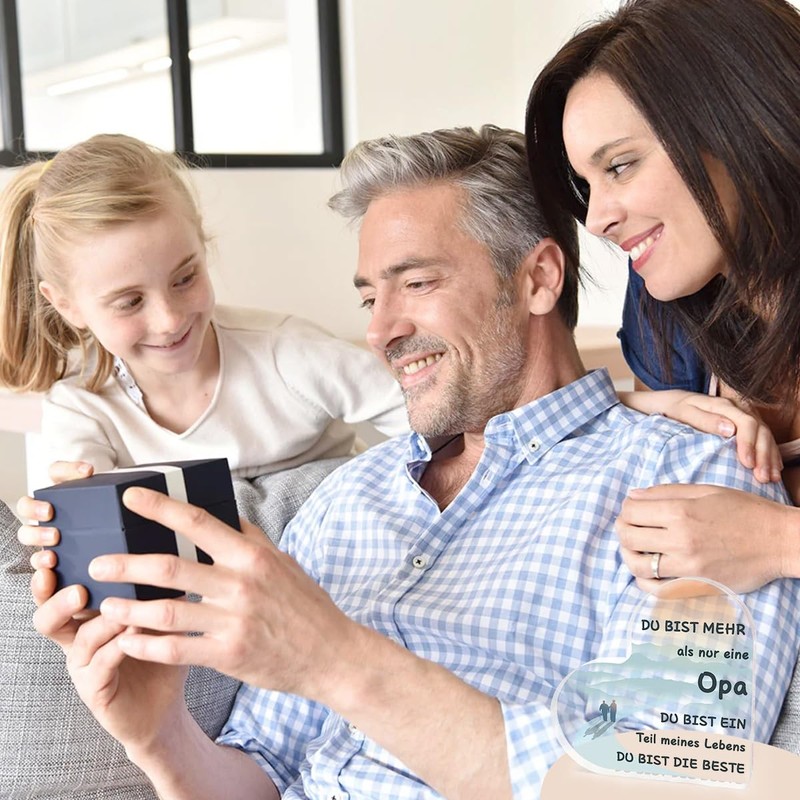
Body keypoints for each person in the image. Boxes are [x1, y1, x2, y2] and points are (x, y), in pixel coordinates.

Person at [20, 125, 800, 800]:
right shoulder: (348, 499)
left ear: (538, 277)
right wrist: (159, 737)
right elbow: (262, 774)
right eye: (370, 299)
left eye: (417, 283)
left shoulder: (696, 486)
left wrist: (334, 659)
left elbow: (664, 777)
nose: (380, 331)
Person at [525, 0, 800, 593]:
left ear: (742, 123)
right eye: (587, 183)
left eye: (620, 165)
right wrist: (642, 405)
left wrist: (776, 541)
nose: (596, 219)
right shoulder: (667, 312)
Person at [0, 133, 407, 485]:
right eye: (130, 302)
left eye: (185, 278)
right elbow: (88, 524)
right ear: (67, 305)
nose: (169, 320)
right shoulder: (80, 408)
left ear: (201, 244)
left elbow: (428, 419)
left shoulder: (290, 353)